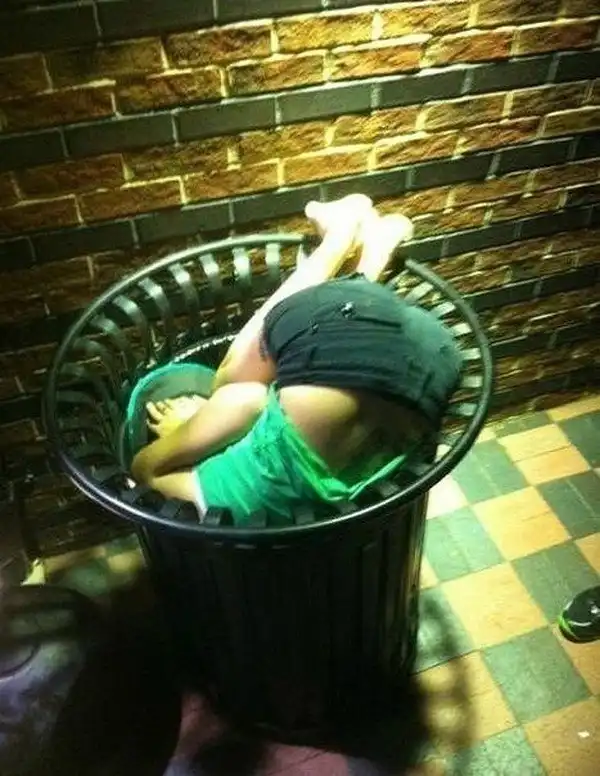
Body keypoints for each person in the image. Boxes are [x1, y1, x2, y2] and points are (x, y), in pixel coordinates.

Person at [131, 194, 463, 524]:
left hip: (429, 367)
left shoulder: (261, 513)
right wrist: (188, 427)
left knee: (347, 317)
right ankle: (340, 236)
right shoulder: (208, 494)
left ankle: (375, 251)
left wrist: (200, 430)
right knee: (229, 381)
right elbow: (148, 469)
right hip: (338, 353)